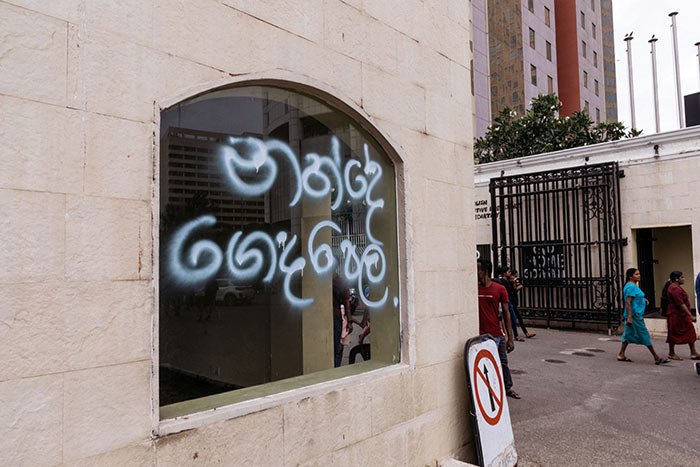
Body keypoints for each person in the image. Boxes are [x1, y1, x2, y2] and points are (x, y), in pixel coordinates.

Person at [478, 259, 519, 399]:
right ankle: (491, 393)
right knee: (488, 365)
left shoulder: (499, 289)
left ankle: (507, 388)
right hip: (483, 335)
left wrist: (510, 338)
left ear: (484, 271)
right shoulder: (474, 289)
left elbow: (507, 313)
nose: (475, 272)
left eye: (478, 269)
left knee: (503, 362)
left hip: (497, 333)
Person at [617, 268, 670, 364]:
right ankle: (656, 357)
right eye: (636, 274)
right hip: (634, 316)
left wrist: (643, 299)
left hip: (634, 315)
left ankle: (621, 354)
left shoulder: (632, 286)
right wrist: (629, 317)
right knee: (644, 335)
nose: (639, 275)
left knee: (627, 335)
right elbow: (628, 302)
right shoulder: (631, 287)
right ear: (630, 276)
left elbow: (634, 297)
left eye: (639, 274)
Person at [662, 271, 699, 360]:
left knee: (690, 331)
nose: (684, 279)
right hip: (676, 314)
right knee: (673, 333)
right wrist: (690, 315)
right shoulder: (674, 289)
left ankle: (693, 352)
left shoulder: (676, 287)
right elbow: (680, 304)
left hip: (681, 314)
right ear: (676, 279)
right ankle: (671, 352)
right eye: (682, 277)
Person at [332, 273, 352, 367]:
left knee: (335, 349)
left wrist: (350, 321)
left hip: (333, 317)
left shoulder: (321, 279)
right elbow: (346, 301)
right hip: (336, 317)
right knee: (336, 350)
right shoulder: (340, 281)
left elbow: (346, 301)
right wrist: (350, 321)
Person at [510, 269, 535, 339]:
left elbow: (519, 286)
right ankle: (520, 334)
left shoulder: (515, 280)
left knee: (515, 318)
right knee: (515, 318)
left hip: (514, 301)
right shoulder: (510, 281)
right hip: (511, 302)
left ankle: (522, 333)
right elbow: (514, 289)